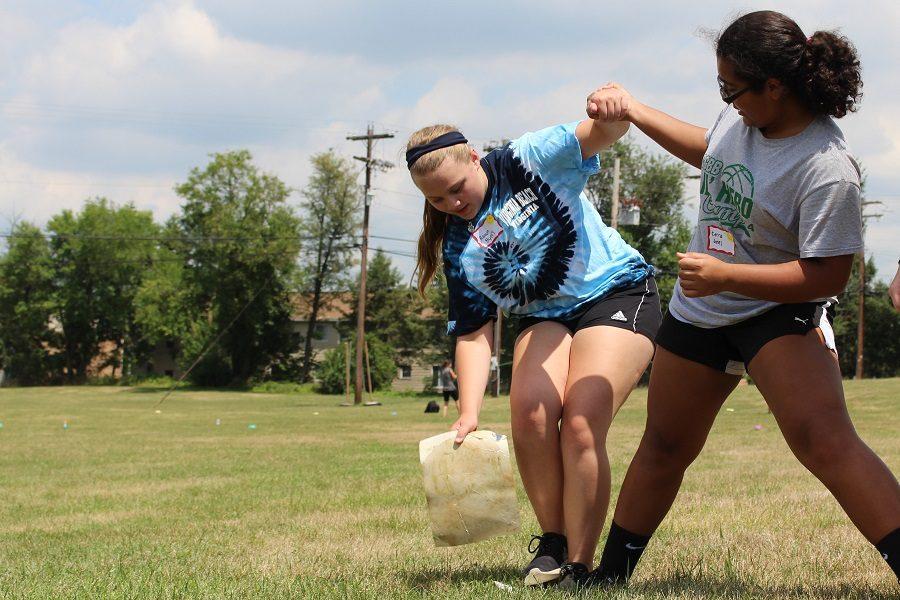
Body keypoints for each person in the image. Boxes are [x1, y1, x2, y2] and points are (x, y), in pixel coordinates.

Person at [579, 10, 900, 588]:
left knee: (823, 441)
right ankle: (610, 577)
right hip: (702, 310)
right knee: (666, 443)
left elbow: (827, 276)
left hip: (775, 314)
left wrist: (730, 278)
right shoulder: (743, 118)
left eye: (732, 88)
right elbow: (713, 153)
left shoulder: (827, 168)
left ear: (774, 87)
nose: (727, 99)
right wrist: (634, 108)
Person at [406, 99, 662, 586]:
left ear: (476, 158)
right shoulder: (461, 249)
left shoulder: (525, 158)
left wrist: (613, 110)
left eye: (457, 189)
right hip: (547, 315)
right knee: (530, 412)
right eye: (438, 201)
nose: (453, 205)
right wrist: (468, 411)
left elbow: (606, 133)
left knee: (582, 420)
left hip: (617, 290)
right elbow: (475, 332)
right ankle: (553, 542)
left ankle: (580, 569)